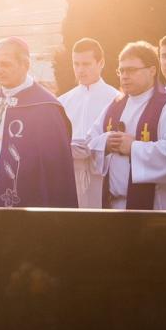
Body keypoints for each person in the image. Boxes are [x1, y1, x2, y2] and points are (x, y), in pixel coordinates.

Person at [0, 37, 78, 208]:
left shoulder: (46, 107)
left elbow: (50, 166)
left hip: (27, 209)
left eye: (5, 64)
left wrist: (0, 178)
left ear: (25, 65)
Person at [87, 42, 166, 210]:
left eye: (131, 70)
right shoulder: (115, 105)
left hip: (155, 207)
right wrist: (106, 142)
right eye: (121, 70)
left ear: (152, 70)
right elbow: (90, 139)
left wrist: (133, 148)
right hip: (114, 204)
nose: (125, 76)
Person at [58, 38, 120, 207]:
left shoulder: (116, 99)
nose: (80, 70)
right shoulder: (62, 101)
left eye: (86, 64)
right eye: (76, 64)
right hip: (70, 174)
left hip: (102, 175)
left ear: (101, 63)